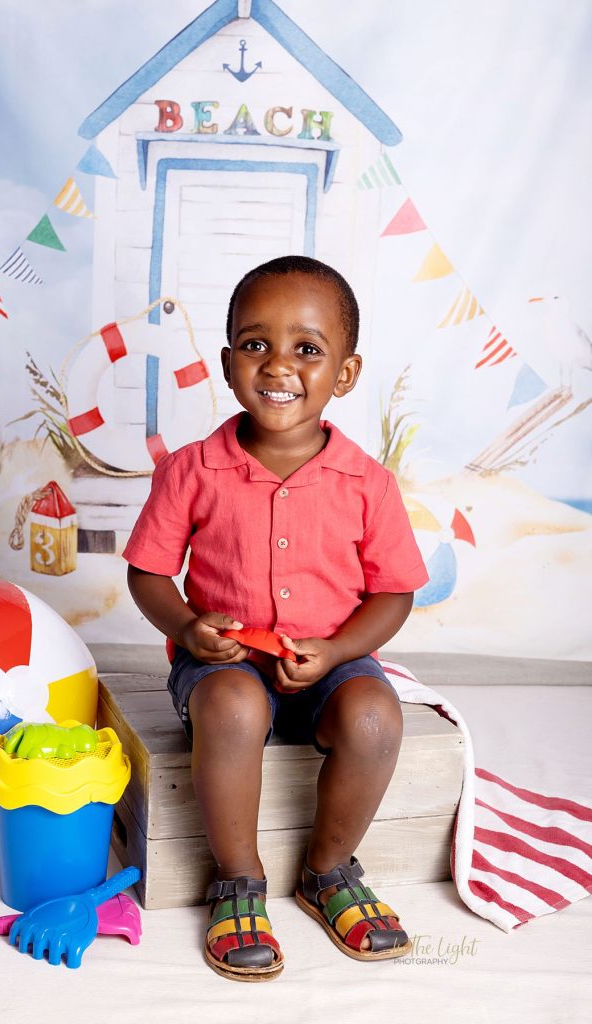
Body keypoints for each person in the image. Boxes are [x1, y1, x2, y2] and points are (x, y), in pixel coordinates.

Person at [124, 255, 429, 982]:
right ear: (229, 363)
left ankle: (326, 871)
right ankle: (237, 880)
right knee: (230, 706)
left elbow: (393, 592)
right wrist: (189, 626)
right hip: (224, 664)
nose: (278, 365)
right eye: (256, 345)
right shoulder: (193, 469)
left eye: (307, 348)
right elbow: (147, 572)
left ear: (344, 374)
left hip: (329, 665)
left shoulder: (367, 481)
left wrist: (337, 650)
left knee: (374, 718)